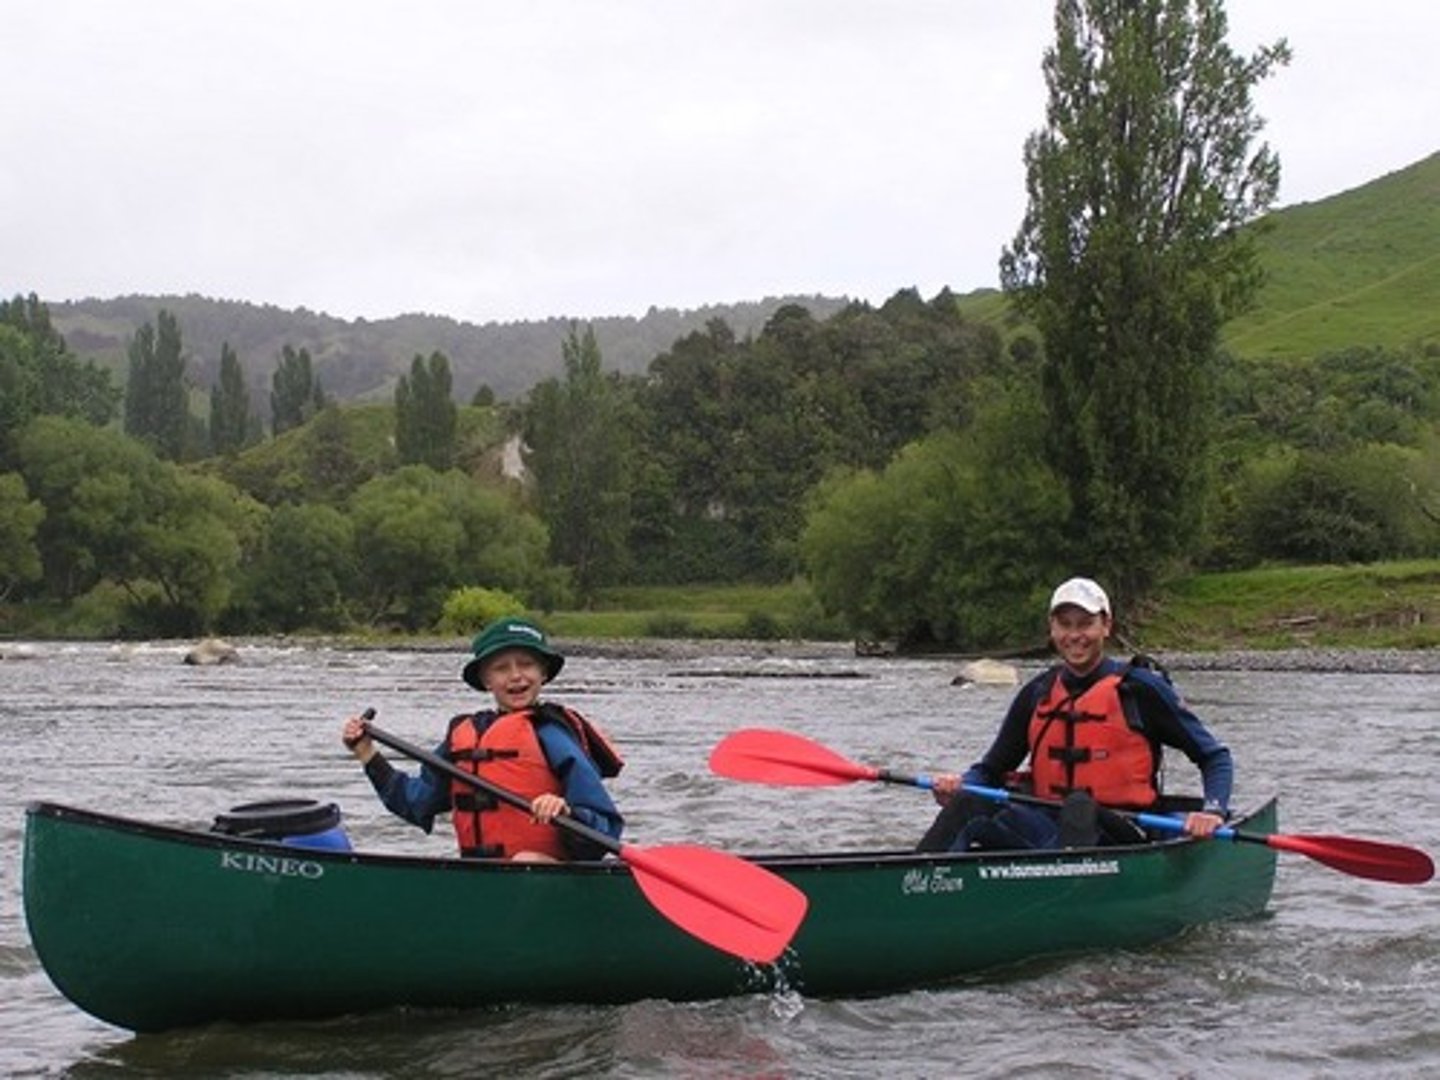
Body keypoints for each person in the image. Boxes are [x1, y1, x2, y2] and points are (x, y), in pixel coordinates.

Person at [916, 576, 1233, 853]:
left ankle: (1072, 902)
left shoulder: (1140, 689)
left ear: (1105, 626)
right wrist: (961, 785)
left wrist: (1213, 811)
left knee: (1080, 807)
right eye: (1064, 625)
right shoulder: (1038, 692)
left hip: (1122, 832)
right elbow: (990, 770)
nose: (1074, 635)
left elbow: (1214, 757)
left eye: (1085, 624)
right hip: (1046, 831)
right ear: (1052, 629)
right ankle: (915, 885)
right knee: (969, 803)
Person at [341, 616, 624, 862]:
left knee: (526, 859)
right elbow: (415, 803)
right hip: (487, 876)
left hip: (547, 874)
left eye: (526, 664)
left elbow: (604, 829)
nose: (516, 676)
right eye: (501, 668)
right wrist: (367, 753)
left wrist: (567, 812)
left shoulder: (552, 733)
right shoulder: (463, 734)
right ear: (486, 679)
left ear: (543, 673)